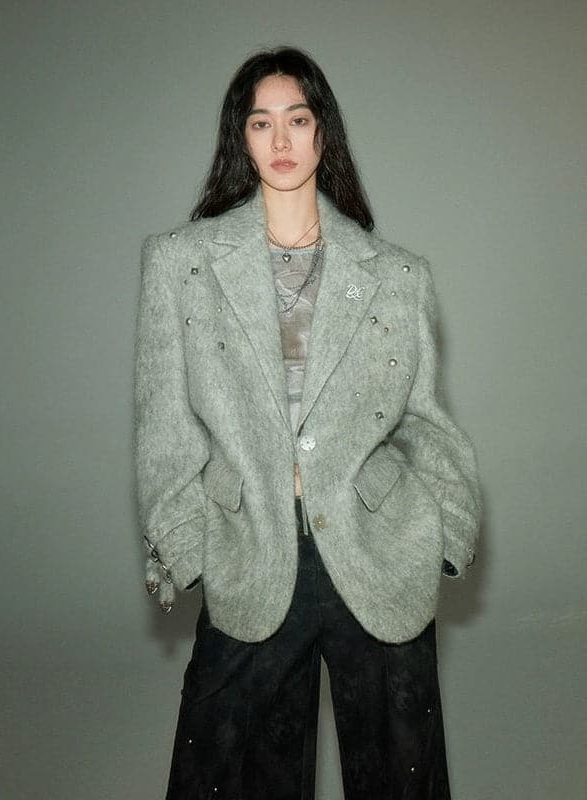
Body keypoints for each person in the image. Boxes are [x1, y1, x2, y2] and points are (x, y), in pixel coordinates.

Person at [134, 46, 481, 800]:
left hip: (377, 548)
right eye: (262, 123)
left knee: (402, 776)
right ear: (242, 137)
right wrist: (188, 547)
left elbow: (428, 423)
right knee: (226, 772)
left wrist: (446, 534)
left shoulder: (398, 276)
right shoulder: (181, 264)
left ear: (324, 132)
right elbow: (165, 424)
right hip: (248, 546)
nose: (282, 140)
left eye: (297, 119)